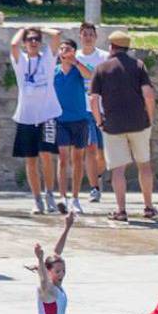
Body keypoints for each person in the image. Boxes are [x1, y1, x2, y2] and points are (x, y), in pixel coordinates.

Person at [89, 30, 158, 222]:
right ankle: (148, 207)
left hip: (113, 125)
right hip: (139, 123)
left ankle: (121, 210)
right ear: (127, 48)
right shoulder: (138, 66)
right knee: (144, 165)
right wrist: (149, 118)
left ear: (111, 47)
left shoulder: (101, 69)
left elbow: (93, 99)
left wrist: (99, 121)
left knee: (118, 169)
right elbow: (149, 95)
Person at [10, 26, 63, 215]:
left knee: (47, 156)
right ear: (25, 43)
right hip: (26, 117)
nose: (33, 42)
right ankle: (37, 199)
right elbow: (13, 44)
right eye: (30, 39)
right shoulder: (21, 61)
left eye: (36, 39)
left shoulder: (47, 58)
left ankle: (49, 194)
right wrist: (23, 29)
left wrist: (40, 29)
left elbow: (57, 36)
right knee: (30, 160)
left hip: (47, 114)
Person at [53, 38, 94, 215]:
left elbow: (90, 75)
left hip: (80, 119)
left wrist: (75, 61)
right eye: (62, 48)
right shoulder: (54, 72)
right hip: (60, 120)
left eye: (68, 48)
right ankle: (62, 196)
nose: (64, 51)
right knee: (62, 158)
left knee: (78, 159)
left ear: (74, 51)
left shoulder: (79, 69)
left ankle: (75, 197)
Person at [76, 22, 110, 202]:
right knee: (90, 148)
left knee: (102, 154)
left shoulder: (103, 57)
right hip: (83, 110)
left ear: (95, 37)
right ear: (80, 37)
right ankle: (94, 187)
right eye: (85, 34)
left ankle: (98, 176)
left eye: (91, 34)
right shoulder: (74, 57)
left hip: (102, 109)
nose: (88, 37)